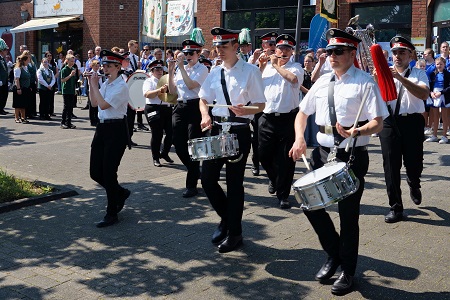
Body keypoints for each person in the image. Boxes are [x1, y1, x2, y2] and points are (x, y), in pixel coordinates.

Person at [289, 28, 388, 295]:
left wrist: (357, 131)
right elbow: (302, 112)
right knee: (309, 203)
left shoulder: (365, 82)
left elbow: (377, 122)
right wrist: (299, 139)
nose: (332, 56)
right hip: (321, 153)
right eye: (329, 51)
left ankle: (348, 270)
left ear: (352, 53)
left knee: (348, 216)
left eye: (338, 51)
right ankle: (333, 253)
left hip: (351, 155)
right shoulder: (321, 82)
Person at [199, 27, 266, 253]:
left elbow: (261, 104)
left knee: (234, 183)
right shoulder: (215, 71)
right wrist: (205, 115)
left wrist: (245, 109)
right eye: (216, 46)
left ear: (235, 46)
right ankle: (227, 218)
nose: (218, 50)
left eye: (223, 46)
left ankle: (235, 234)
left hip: (238, 131)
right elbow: (203, 98)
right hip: (217, 130)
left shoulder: (250, 71)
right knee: (207, 178)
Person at [380, 36, 430, 223]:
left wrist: (399, 78)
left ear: (410, 55)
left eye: (402, 52)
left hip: (412, 122)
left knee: (414, 162)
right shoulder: (383, 73)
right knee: (390, 166)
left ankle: (414, 182)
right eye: (395, 52)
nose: (397, 56)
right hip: (389, 122)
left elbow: (424, 94)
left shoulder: (419, 74)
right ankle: (396, 207)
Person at [258, 33, 304, 209]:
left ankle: (283, 195)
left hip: (287, 118)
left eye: (287, 49)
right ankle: (275, 179)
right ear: (274, 49)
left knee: (287, 158)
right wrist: (261, 66)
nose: (283, 52)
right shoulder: (267, 67)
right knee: (263, 155)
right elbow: (253, 84)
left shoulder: (296, 67)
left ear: (292, 52)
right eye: (280, 48)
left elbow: (293, 80)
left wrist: (276, 66)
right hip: (266, 117)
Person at [87, 49, 131, 228]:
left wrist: (96, 86)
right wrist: (92, 84)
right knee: (95, 172)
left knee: (108, 172)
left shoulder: (121, 85)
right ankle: (119, 193)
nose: (104, 68)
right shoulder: (106, 84)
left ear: (118, 67)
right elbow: (94, 103)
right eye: (103, 65)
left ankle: (112, 212)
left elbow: (104, 105)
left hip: (116, 129)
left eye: (108, 65)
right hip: (102, 127)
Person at [168, 39, 209, 198]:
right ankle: (194, 169)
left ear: (198, 54)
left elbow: (192, 85)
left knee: (194, 143)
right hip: (180, 106)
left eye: (191, 53)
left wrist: (180, 68)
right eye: (185, 53)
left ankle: (191, 185)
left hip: (194, 106)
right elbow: (173, 91)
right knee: (178, 144)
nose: (188, 56)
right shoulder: (181, 69)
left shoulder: (202, 69)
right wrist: (172, 71)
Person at [142, 59, 174, 167]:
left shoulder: (166, 80)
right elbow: (147, 94)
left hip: (167, 107)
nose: (160, 71)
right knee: (157, 134)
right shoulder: (149, 81)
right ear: (152, 70)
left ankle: (164, 153)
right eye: (157, 69)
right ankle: (155, 157)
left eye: (161, 69)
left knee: (171, 133)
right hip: (153, 108)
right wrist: (159, 90)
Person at [426, 57, 450, 144]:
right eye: (437, 64)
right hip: (434, 95)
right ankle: (434, 135)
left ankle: (444, 136)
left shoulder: (448, 74)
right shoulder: (433, 74)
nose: (439, 66)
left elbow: (449, 87)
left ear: (444, 64)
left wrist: (441, 92)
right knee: (435, 116)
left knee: (444, 116)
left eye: (441, 64)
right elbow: (428, 84)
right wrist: (431, 93)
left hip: (444, 95)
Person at [12, 54, 32, 123]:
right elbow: (17, 79)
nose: (29, 61)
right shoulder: (18, 68)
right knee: (18, 104)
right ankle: (16, 118)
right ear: (24, 60)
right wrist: (18, 88)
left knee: (24, 104)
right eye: (28, 60)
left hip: (25, 88)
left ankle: (23, 117)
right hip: (20, 88)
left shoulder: (25, 68)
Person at [60, 54, 78, 129]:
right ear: (67, 61)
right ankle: (63, 122)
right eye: (71, 61)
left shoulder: (73, 69)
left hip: (71, 90)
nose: (72, 62)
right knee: (66, 106)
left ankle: (69, 122)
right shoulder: (64, 70)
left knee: (71, 107)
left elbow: (74, 80)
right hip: (66, 90)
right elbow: (62, 80)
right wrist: (70, 75)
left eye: (73, 61)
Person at [0, 38, 10, 115]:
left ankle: (2, 108)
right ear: (2, 50)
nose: (7, 51)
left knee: (5, 94)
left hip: (5, 80)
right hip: (1, 80)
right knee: (1, 95)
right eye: (5, 50)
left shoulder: (3, 59)